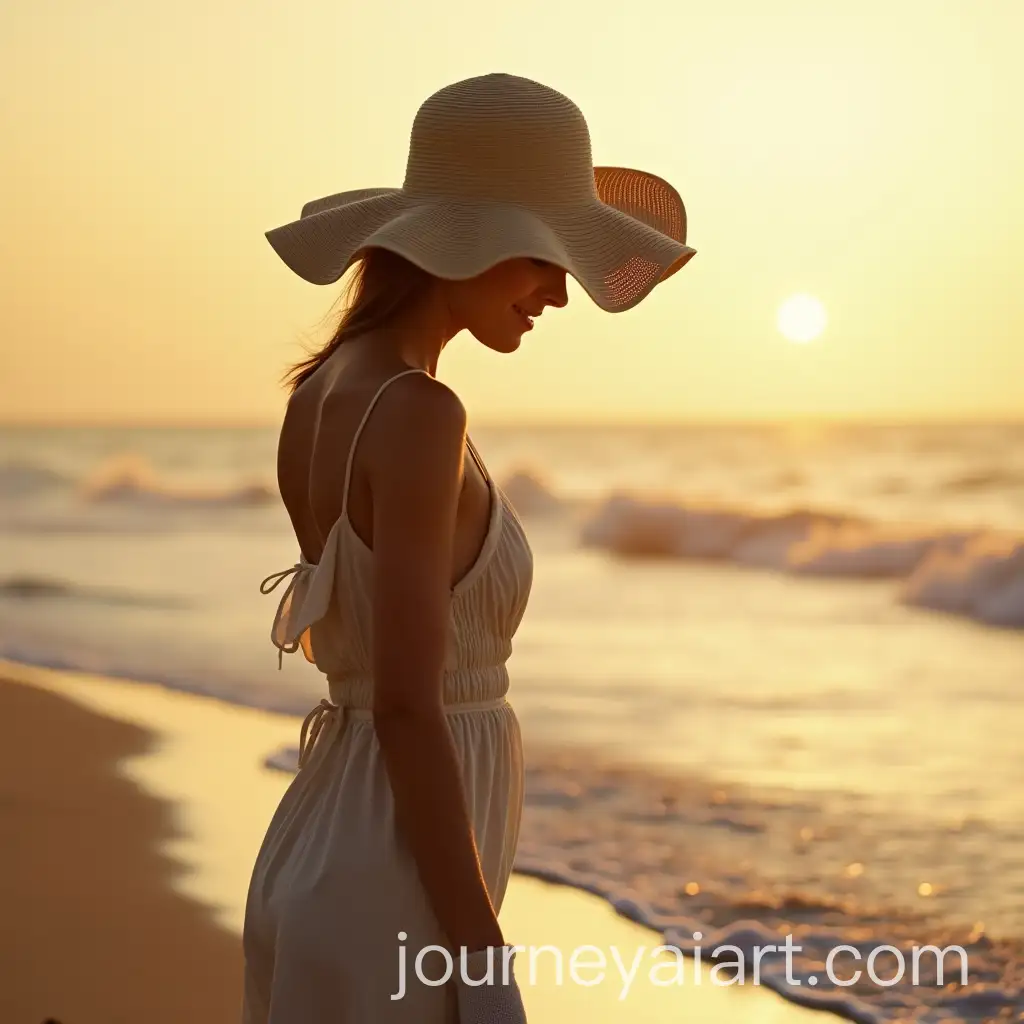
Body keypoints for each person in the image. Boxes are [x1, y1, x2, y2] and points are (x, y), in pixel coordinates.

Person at [242, 72, 696, 1023]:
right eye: (547, 258)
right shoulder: (419, 411)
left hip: (326, 847)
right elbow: (408, 706)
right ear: (474, 241)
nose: (562, 296)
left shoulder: (319, 394)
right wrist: (482, 955)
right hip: (391, 891)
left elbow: (366, 670)